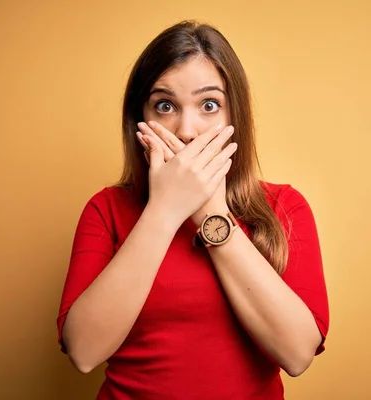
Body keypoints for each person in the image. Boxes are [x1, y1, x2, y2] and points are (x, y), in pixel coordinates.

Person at [56, 20, 329, 400]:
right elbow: (84, 352)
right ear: (141, 120)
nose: (186, 130)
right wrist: (165, 210)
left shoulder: (285, 207)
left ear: (235, 117)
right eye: (165, 106)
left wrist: (210, 212)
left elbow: (298, 354)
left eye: (209, 105)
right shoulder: (106, 210)